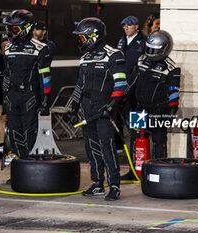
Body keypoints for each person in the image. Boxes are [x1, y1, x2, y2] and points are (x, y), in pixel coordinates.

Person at [70, 17, 127, 201]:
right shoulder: (85, 57)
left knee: (107, 147)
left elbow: (121, 84)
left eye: (81, 37)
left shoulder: (114, 55)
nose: (79, 41)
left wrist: (111, 106)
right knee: (91, 147)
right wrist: (74, 107)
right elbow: (80, 84)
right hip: (87, 108)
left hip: (105, 108)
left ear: (93, 36)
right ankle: (97, 184)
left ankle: (115, 186)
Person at [3, 9, 52, 158]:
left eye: (15, 28)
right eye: (9, 28)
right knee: (13, 134)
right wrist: (5, 97)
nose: (11, 31)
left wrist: (45, 102)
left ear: (27, 27)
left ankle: (32, 171)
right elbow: (7, 74)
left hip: (30, 96)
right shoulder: (8, 48)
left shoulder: (41, 49)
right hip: (12, 96)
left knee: (29, 135)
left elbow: (46, 78)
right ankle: (18, 171)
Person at [131, 30, 180, 160]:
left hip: (158, 109)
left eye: (154, 50)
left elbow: (174, 92)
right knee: (135, 139)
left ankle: (160, 168)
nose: (150, 52)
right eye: (149, 49)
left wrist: (171, 112)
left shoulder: (171, 68)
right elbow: (132, 82)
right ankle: (134, 171)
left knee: (159, 140)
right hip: (139, 108)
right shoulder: (141, 60)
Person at [116, 16, 147, 158]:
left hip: (137, 85)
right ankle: (118, 146)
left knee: (136, 114)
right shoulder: (122, 40)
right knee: (116, 112)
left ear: (137, 26)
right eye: (124, 25)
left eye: (129, 25)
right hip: (122, 82)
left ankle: (139, 145)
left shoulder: (144, 41)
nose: (126, 28)